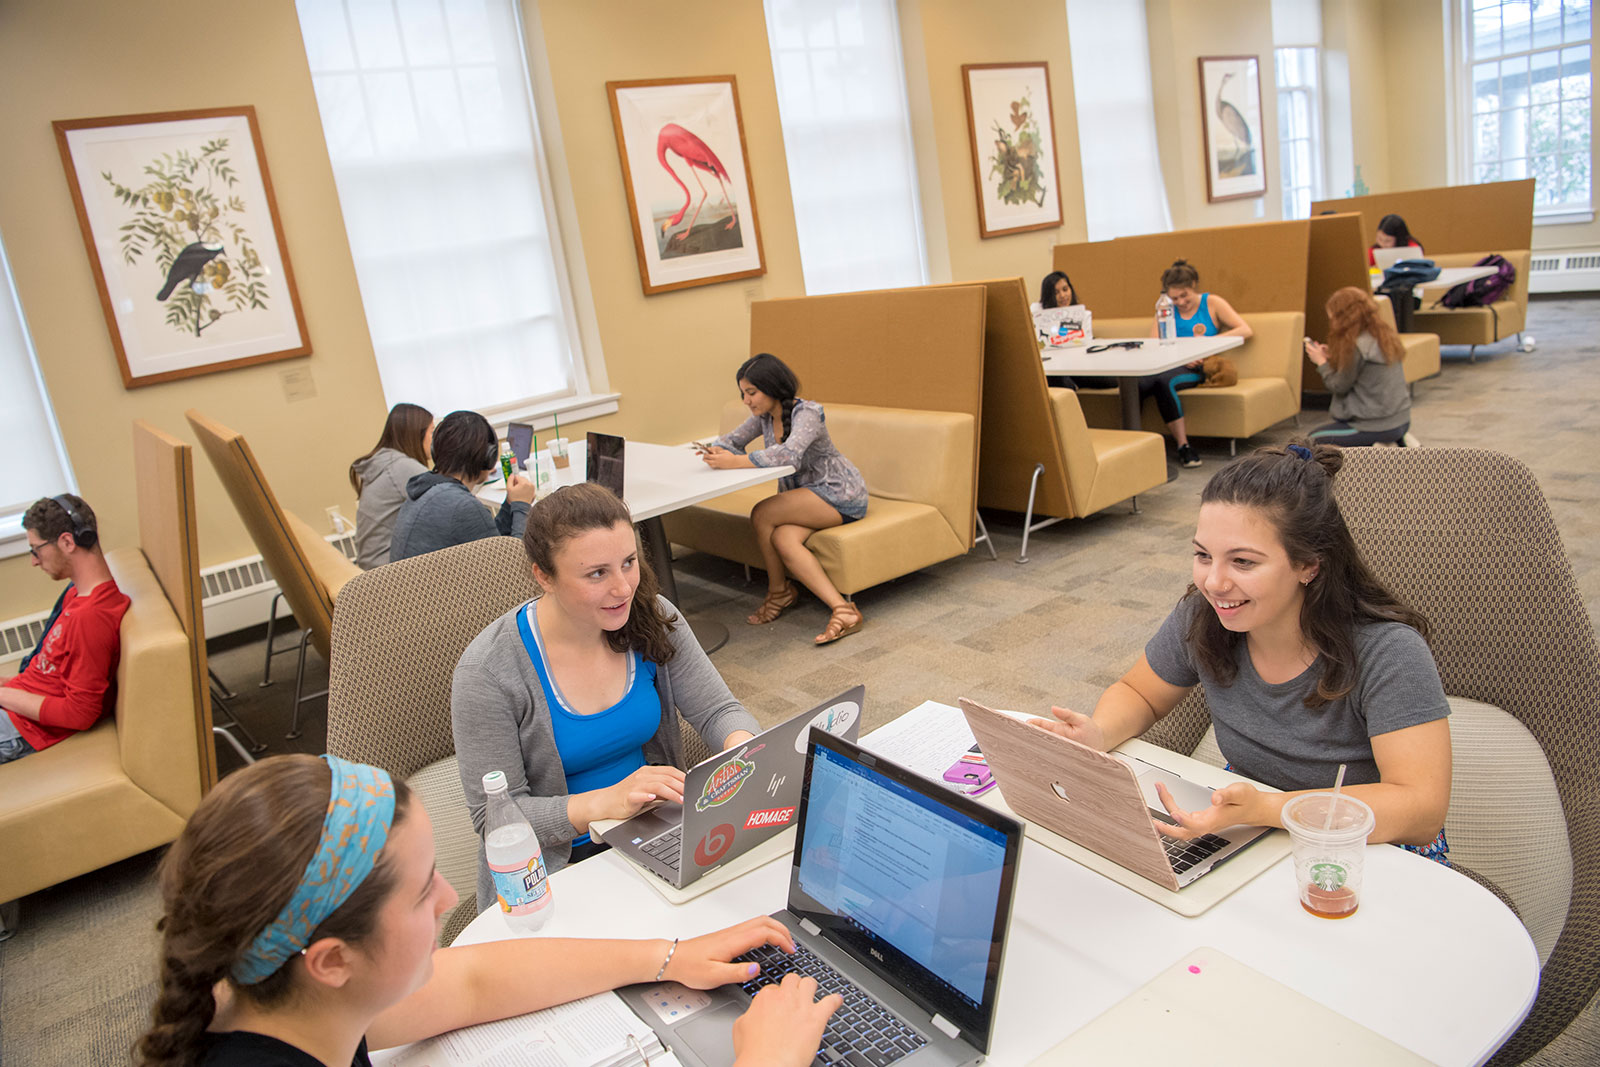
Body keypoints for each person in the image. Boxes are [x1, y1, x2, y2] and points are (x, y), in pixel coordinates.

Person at [133, 753, 839, 1067]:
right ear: (332, 960)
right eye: (422, 892)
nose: (450, 898)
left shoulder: (270, 988)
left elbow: (472, 978)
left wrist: (668, 953)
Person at [1029, 441, 1452, 863]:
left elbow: (1420, 810)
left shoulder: (1389, 652)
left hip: (1368, 848)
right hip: (1251, 827)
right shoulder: (1203, 616)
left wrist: (1269, 810)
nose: (1213, 582)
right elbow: (1140, 693)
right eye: (1203, 555)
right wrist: (1099, 732)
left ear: (1310, 565)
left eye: (1243, 562)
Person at [452, 483, 761, 898]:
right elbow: (496, 820)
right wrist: (603, 803)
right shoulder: (489, 671)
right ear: (544, 576)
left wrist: (743, 751)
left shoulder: (652, 617)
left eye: (629, 562)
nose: (623, 588)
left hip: (654, 835)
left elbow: (717, 710)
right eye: (597, 573)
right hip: (553, 873)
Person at [702, 353, 869, 645]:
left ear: (773, 387)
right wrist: (715, 451)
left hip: (839, 492)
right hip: (806, 498)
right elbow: (730, 440)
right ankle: (843, 610)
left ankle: (778, 592)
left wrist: (733, 462)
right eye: (743, 393)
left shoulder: (808, 413)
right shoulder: (764, 417)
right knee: (783, 539)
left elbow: (787, 455)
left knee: (762, 513)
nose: (746, 400)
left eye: (751, 392)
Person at [0, 495, 130, 765]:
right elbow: (46, 677)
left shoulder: (91, 616)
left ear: (67, 542)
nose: (34, 561)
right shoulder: (77, 595)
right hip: (16, 711)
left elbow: (80, 713)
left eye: (36, 549)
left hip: (19, 729)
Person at [1143, 259, 1253, 469]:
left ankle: (1184, 446)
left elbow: (1245, 330)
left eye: (1185, 296)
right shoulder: (1166, 308)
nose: (1181, 302)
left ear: (1193, 285)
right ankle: (1136, 447)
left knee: (1164, 382)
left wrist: (1205, 346)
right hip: (1171, 364)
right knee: (1141, 383)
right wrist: (1180, 353)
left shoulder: (1212, 302)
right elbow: (1154, 341)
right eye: (1175, 298)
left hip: (1198, 368)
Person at [390, 410, 535, 563]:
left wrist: (509, 505)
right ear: (488, 457)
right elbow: (515, 568)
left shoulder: (426, 490)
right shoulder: (461, 505)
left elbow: (489, 539)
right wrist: (521, 506)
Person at [1303, 286, 1413, 447]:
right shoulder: (1383, 335)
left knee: (1310, 440)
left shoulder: (1356, 346)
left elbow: (1339, 385)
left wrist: (1321, 362)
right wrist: (1335, 357)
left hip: (1375, 425)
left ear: (1341, 317)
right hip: (1401, 420)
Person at [349, 403, 433, 570]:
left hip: (370, 566)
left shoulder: (383, 462)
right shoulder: (402, 467)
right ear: (416, 434)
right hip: (386, 573)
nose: (434, 438)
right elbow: (451, 499)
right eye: (432, 431)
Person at [1038, 271, 1114, 391]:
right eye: (1056, 293)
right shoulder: (1040, 319)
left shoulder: (1083, 315)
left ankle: (1072, 385)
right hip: (1056, 367)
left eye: (1065, 289)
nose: (1063, 296)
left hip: (1081, 366)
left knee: (1113, 379)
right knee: (1052, 376)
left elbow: (1086, 344)